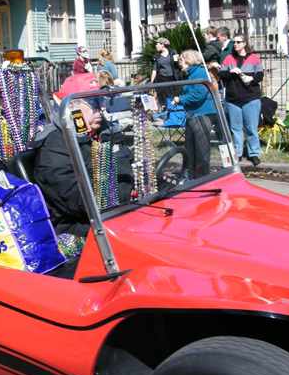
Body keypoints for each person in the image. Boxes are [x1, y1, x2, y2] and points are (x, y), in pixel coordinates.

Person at [32, 81, 133, 236]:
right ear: (71, 106)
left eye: (103, 100)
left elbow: (130, 166)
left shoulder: (108, 132)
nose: (103, 108)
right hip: (76, 227)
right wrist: (126, 194)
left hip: (118, 212)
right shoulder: (55, 143)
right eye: (94, 102)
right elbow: (74, 198)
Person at [220, 32, 264, 166]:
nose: (236, 44)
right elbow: (222, 75)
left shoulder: (254, 58)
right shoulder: (228, 58)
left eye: (239, 42)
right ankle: (237, 153)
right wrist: (230, 72)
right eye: (234, 42)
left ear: (245, 43)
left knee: (251, 127)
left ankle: (254, 153)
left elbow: (260, 74)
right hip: (233, 99)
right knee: (236, 128)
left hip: (251, 98)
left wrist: (252, 78)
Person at [173, 50, 218, 179]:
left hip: (202, 114)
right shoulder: (191, 74)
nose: (180, 63)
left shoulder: (199, 73)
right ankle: (192, 174)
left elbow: (199, 94)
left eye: (181, 60)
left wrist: (180, 99)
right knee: (190, 146)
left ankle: (203, 176)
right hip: (193, 114)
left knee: (201, 148)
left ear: (188, 61)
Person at [150, 37, 183, 109]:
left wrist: (178, 60)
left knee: (175, 95)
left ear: (162, 45)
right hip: (163, 78)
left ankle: (176, 110)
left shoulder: (172, 53)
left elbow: (180, 65)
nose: (156, 46)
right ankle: (167, 110)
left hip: (173, 78)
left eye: (157, 44)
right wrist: (152, 81)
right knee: (166, 98)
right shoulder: (157, 56)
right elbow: (155, 69)